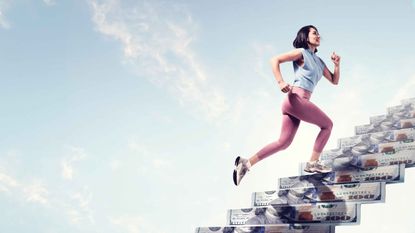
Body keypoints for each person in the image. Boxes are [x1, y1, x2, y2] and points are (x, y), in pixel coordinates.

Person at [233, 25, 341, 186]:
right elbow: (274, 60)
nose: (318, 36)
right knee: (328, 125)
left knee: (283, 142)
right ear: (305, 37)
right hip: (296, 99)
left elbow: (334, 81)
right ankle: (313, 163)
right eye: (314, 33)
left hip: (297, 104)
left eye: (319, 34)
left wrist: (337, 65)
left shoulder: (319, 61)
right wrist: (280, 81)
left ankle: (246, 163)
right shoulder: (301, 52)